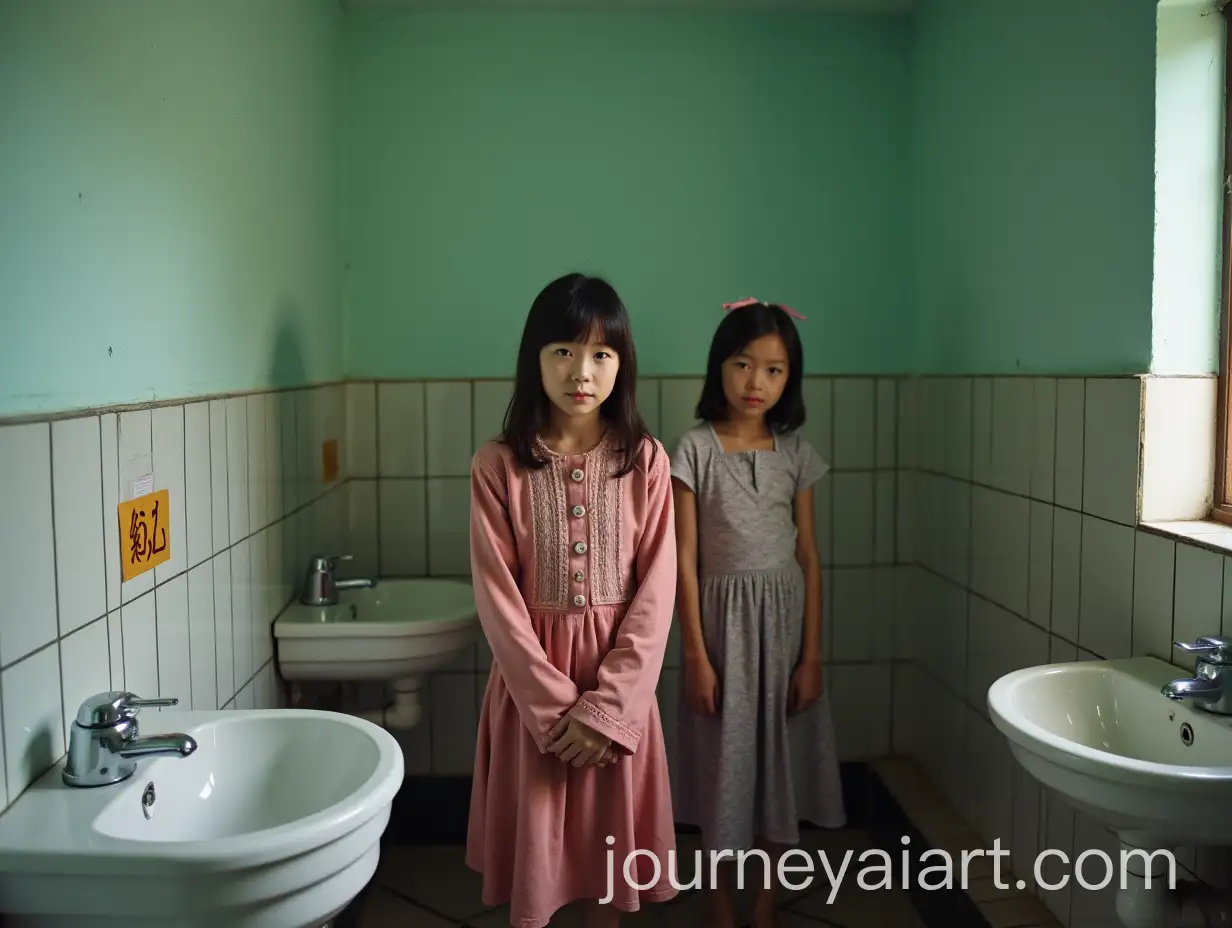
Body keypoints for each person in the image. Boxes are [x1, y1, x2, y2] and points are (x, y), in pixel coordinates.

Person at [466, 272, 679, 928]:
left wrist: (609, 710)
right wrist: (558, 713)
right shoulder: (498, 464)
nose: (581, 371)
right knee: (538, 867)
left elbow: (657, 593)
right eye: (563, 350)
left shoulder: (645, 461)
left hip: (620, 694)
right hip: (535, 700)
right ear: (534, 358)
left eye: (600, 353)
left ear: (622, 363)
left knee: (607, 869)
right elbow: (497, 598)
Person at [671, 298, 846, 928]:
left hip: (785, 633)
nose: (756, 382)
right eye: (743, 364)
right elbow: (683, 559)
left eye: (774, 370)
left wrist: (812, 656)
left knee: (782, 765)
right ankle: (719, 900)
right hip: (721, 636)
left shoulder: (796, 453)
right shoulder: (693, 450)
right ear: (719, 365)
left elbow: (810, 556)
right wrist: (695, 654)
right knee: (719, 765)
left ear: (789, 378)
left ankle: (767, 899)